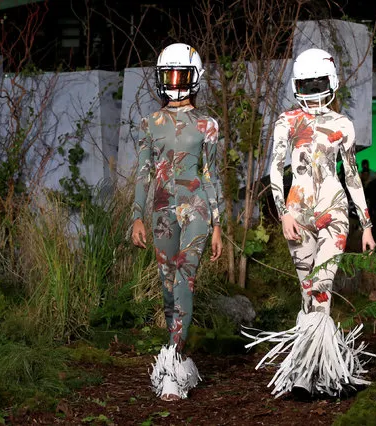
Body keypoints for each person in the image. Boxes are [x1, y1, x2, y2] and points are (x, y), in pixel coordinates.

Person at [243, 48, 376, 398]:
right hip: (297, 214)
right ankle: (326, 372)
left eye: (318, 82)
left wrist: (366, 225)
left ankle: (307, 374)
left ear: (329, 83)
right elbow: (274, 169)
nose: (314, 90)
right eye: (308, 83)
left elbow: (351, 175)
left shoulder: (343, 124)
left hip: (334, 214)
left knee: (321, 288)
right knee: (308, 295)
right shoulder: (285, 121)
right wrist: (282, 211)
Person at [131, 43, 223, 401]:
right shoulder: (148, 124)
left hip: (197, 206)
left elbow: (211, 174)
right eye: (167, 75)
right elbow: (142, 173)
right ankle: (180, 356)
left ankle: (170, 363)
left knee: (186, 272)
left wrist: (217, 223)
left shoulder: (207, 125)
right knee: (167, 285)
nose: (173, 82)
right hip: (161, 209)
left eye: (180, 75)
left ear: (194, 78)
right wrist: (136, 217)